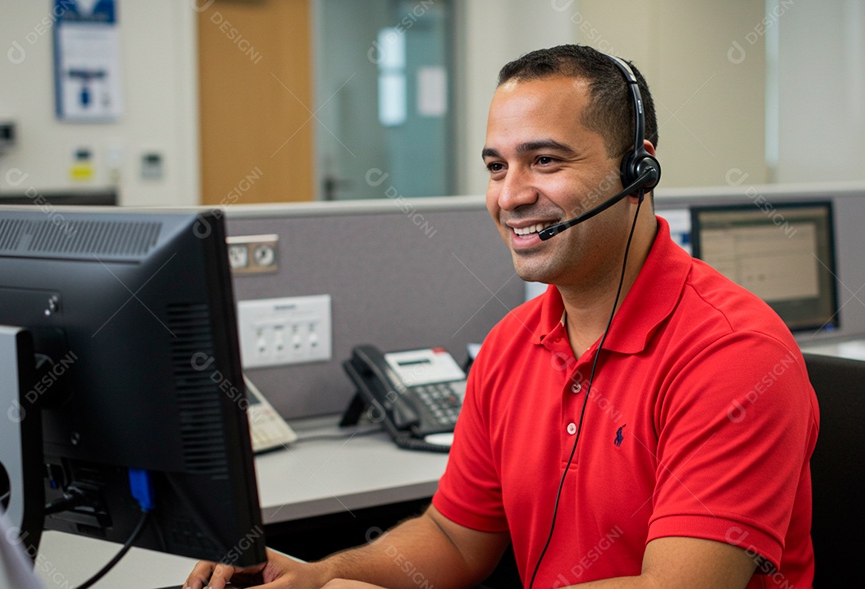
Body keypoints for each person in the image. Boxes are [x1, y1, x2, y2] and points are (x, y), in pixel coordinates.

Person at [186, 44, 818, 589]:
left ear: (638, 169)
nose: (510, 195)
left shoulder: (732, 354)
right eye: (496, 166)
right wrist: (319, 572)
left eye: (545, 160)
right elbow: (455, 539)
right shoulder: (513, 344)